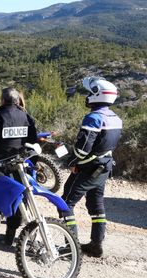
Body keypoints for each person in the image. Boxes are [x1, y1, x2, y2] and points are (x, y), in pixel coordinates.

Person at [60, 77, 122, 257]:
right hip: (105, 167)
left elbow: (82, 149)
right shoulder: (116, 118)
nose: (87, 96)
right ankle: (96, 245)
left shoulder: (93, 118)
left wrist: (72, 162)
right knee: (96, 204)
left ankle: (71, 248)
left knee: (66, 203)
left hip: (89, 168)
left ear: (97, 95)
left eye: (90, 93)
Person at [0, 87, 37, 246]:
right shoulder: (26, 116)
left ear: (3, 100)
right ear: (17, 100)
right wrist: (33, 163)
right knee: (18, 200)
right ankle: (10, 236)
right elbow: (34, 142)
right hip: (20, 165)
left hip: (1, 166)